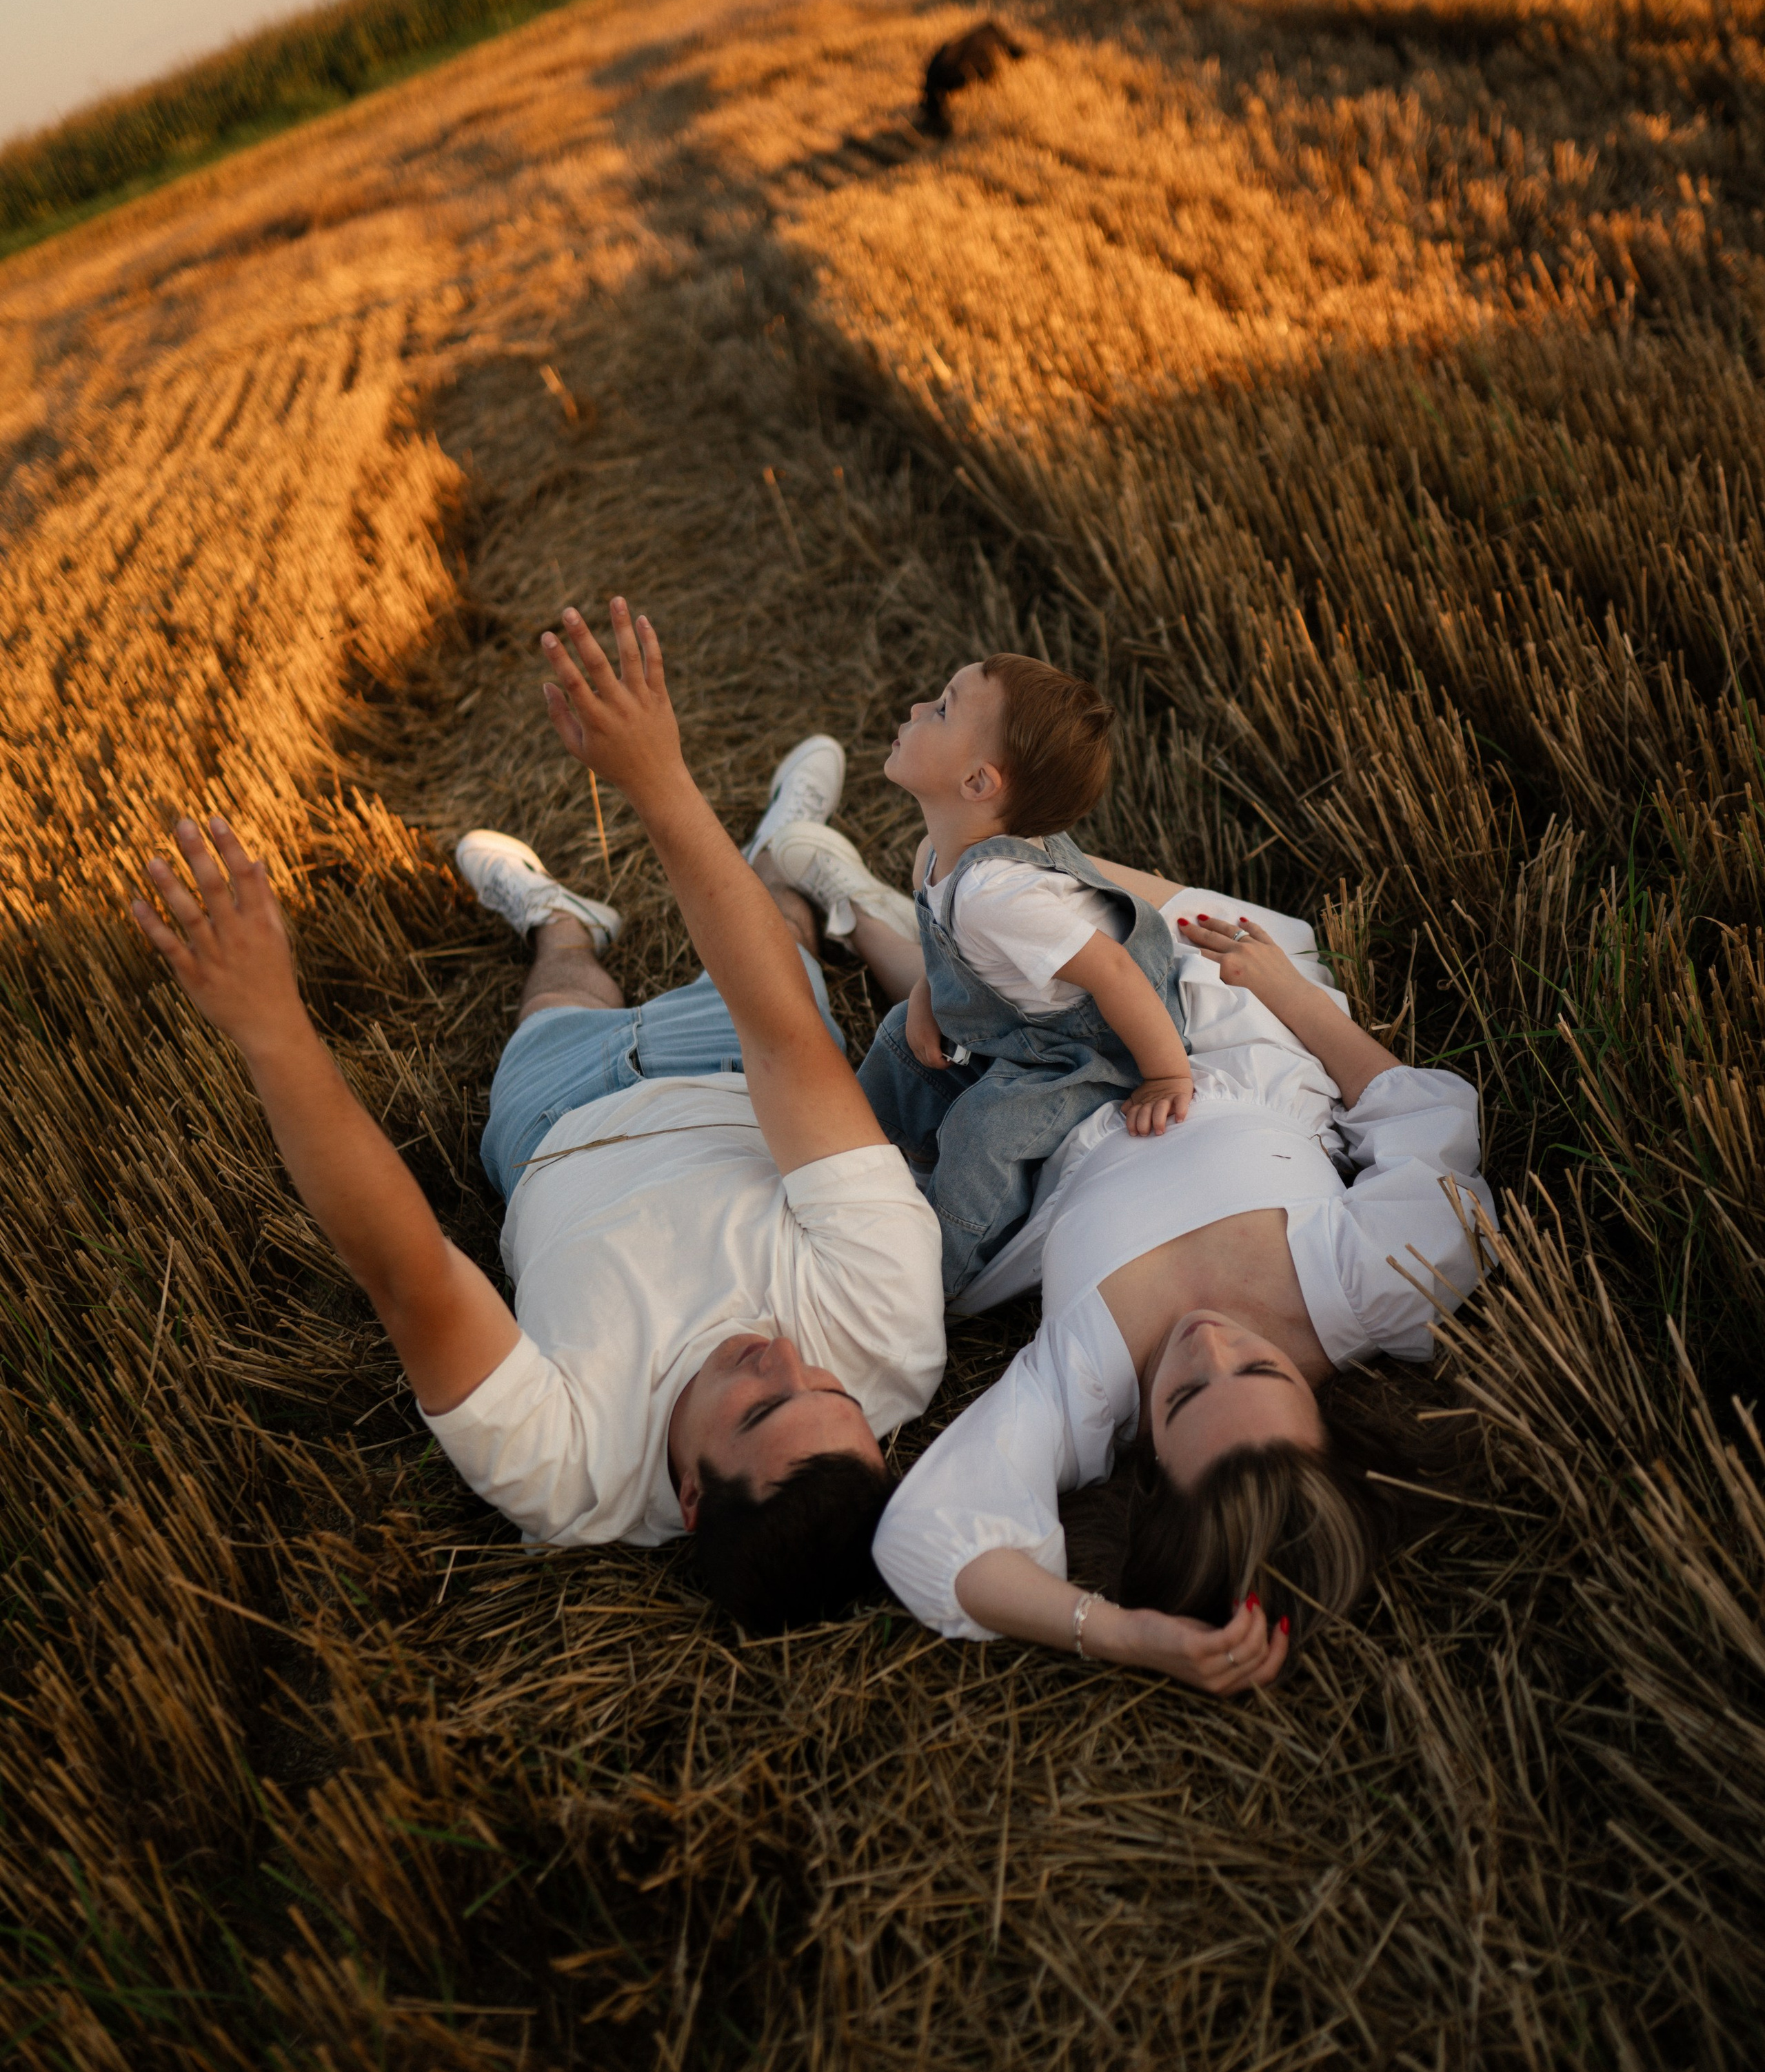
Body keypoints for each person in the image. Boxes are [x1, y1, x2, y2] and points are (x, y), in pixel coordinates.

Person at [129, 601, 945, 1632]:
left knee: (560, 984)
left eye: (760, 1407)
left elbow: (408, 1270)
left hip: (550, 1123)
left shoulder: (565, 1470)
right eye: (830, 1392)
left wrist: (271, 1027)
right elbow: (781, 1037)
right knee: (775, 941)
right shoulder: (890, 1335)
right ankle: (784, 857)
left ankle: (561, 917)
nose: (785, 1357)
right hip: (732, 1067)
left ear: (689, 1499)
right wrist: (655, 776)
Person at [858, 875, 1497, 1692]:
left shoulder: (1089, 1387)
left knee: (953, 992)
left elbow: (923, 1534)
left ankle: (853, 914)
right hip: (1223, 1028)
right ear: (1325, 1417)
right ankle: (907, 904)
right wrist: (1295, 999)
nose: (1211, 1342)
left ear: (1153, 1463)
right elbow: (1424, 1120)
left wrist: (1118, 1633)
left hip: (1037, 1103)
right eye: (1263, 1368)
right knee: (987, 875)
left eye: (1186, 1395)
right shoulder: (1374, 1288)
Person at [763, 654, 1193, 1300]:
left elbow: (1115, 972)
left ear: (976, 783)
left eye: (941, 708)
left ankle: (937, 1281)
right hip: (1023, 1015)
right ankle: (852, 1166)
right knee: (896, 1043)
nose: (914, 710)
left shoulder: (1003, 896)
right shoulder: (938, 853)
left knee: (985, 1128)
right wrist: (927, 993)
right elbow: (954, 951)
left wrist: (1165, 1074)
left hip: (1091, 1045)